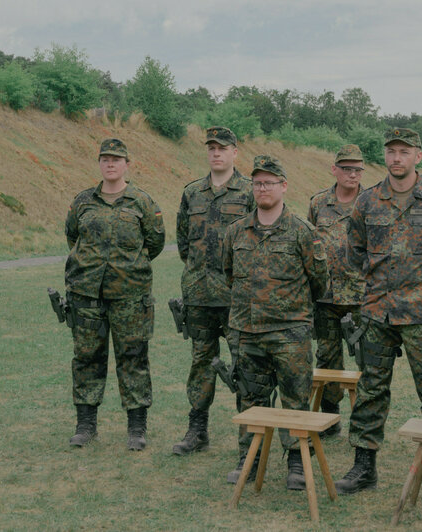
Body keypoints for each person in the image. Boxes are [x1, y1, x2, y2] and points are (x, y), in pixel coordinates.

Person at [335, 127, 422, 503]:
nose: (397, 158)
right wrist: (381, 284)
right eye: (391, 151)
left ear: (418, 156)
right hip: (378, 313)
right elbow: (354, 253)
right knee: (370, 391)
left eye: (404, 151)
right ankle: (364, 466)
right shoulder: (367, 201)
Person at [222, 155, 328, 489]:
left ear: (284, 186)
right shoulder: (236, 232)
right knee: (250, 401)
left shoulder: (302, 232)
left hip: (289, 333)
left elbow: (319, 281)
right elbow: (229, 275)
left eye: (269, 182)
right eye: (257, 182)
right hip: (247, 331)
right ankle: (249, 460)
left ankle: (297, 462)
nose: (263, 188)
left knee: (295, 399)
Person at [64, 138, 165, 450]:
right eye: (105, 159)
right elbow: (72, 236)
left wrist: (127, 268)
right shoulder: (83, 202)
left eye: (116, 159)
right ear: (99, 164)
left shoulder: (142, 202)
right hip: (87, 294)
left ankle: (136, 427)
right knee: (87, 358)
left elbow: (156, 242)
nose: (110, 164)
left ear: (127, 165)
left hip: (130, 295)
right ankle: (85, 425)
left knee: (133, 357)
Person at [173, 126, 255, 456]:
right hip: (200, 296)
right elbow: (183, 243)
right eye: (211, 148)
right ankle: (197, 429)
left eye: (222, 148)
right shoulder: (192, 193)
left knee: (245, 365)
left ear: (235, 152)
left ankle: (250, 435)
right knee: (201, 364)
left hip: (237, 298)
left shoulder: (250, 192)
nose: (216, 153)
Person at [307, 144, 366, 436]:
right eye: (346, 168)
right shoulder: (319, 203)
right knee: (327, 358)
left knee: (368, 358)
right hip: (326, 297)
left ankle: (366, 420)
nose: (352, 174)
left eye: (357, 169)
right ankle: (331, 418)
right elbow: (309, 245)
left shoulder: (372, 202)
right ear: (335, 170)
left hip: (361, 297)